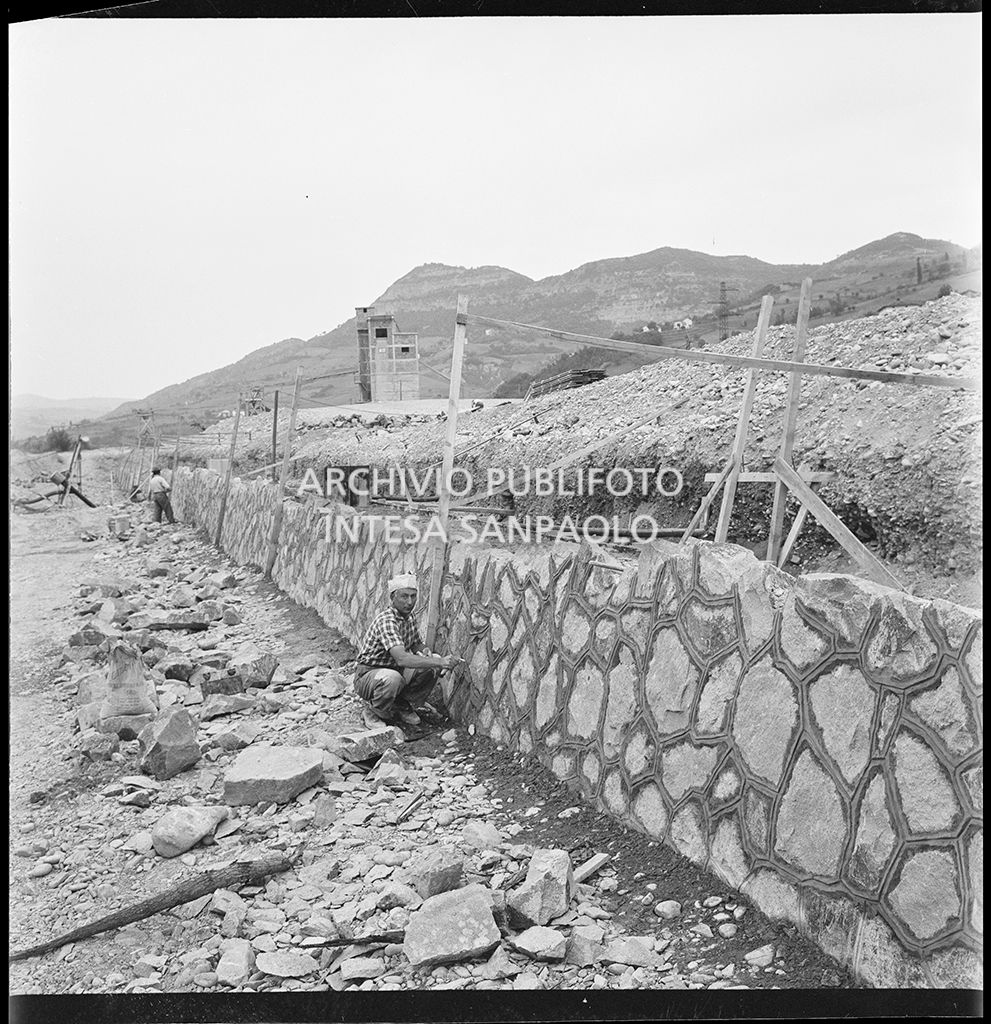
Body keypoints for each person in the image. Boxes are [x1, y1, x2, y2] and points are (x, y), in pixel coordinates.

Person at [353, 572, 459, 729]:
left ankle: (401, 704)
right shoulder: (387, 621)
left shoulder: (409, 617)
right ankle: (373, 711)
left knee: (430, 665)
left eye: (413, 596)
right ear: (393, 597)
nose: (409, 602)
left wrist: (426, 651)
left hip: (395, 670)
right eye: (404, 596)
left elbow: (416, 643)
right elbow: (402, 658)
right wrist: (440, 662)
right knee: (392, 678)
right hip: (369, 675)